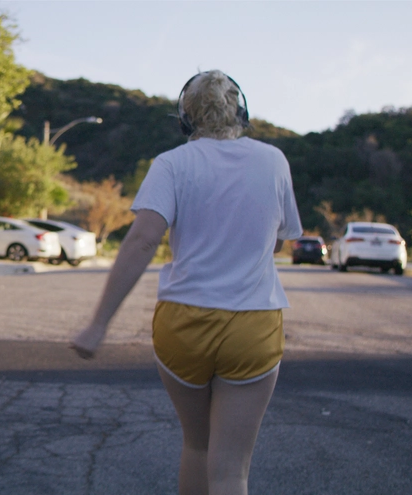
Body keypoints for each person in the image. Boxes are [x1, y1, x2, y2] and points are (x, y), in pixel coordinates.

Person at [71, 70, 302, 495]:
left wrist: (98, 324)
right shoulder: (274, 161)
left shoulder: (172, 164)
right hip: (252, 324)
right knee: (231, 469)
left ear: (186, 117)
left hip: (183, 323)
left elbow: (141, 241)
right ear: (241, 111)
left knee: (197, 445)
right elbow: (280, 240)